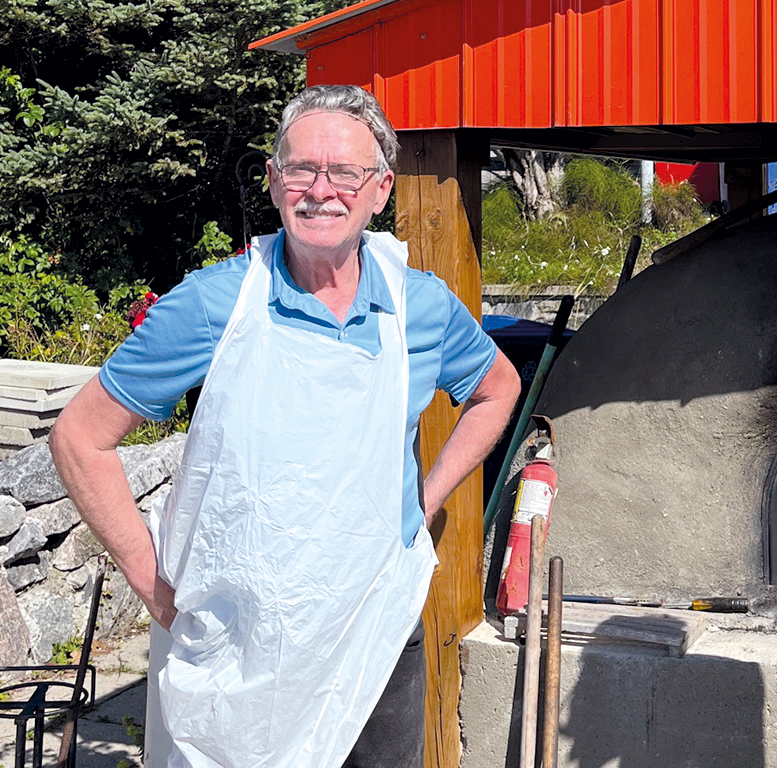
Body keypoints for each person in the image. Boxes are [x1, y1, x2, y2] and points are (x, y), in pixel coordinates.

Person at [49, 85, 521, 768]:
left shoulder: (419, 306)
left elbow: (497, 388)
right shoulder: (215, 304)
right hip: (245, 655)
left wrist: (426, 500)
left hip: (377, 634)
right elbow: (79, 437)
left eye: (345, 173)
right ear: (274, 183)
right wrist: (151, 582)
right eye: (301, 169)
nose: (320, 190)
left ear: (380, 189)